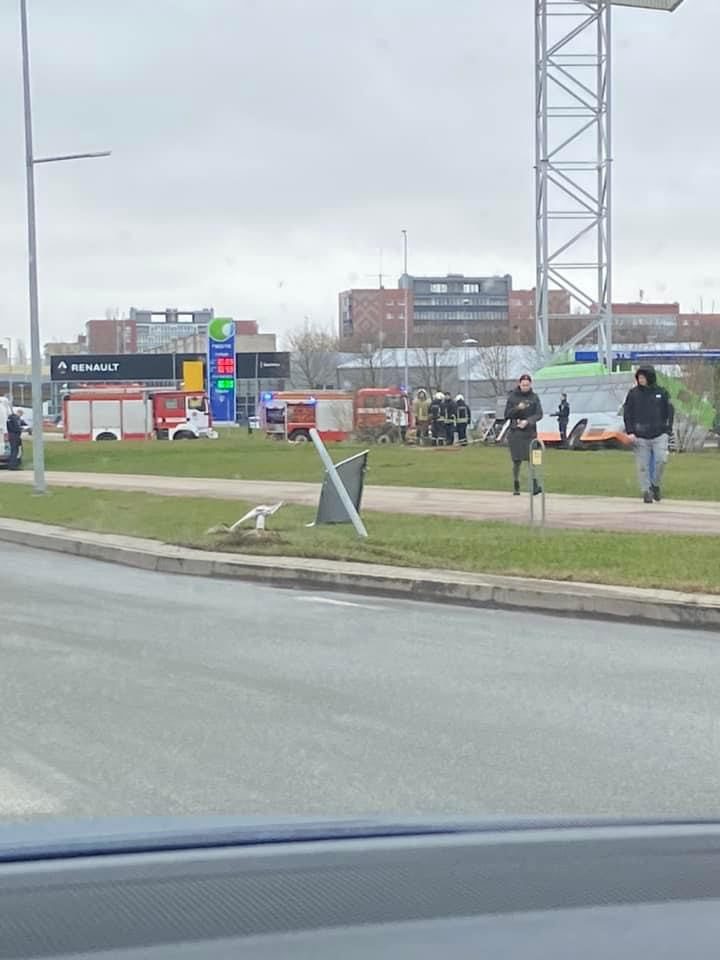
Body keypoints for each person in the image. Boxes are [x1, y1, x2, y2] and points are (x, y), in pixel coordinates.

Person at [623, 365, 674, 504]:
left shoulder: (662, 392)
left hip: (659, 434)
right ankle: (646, 491)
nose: (640, 380)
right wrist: (630, 432)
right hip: (640, 436)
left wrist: (668, 429)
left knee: (661, 460)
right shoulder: (633, 394)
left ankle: (655, 484)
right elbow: (627, 413)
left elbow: (669, 411)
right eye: (639, 377)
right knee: (643, 466)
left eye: (643, 377)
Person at [504, 373, 543, 495]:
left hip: (530, 433)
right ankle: (516, 484)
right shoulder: (512, 397)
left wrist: (529, 421)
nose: (525, 387)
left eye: (527, 385)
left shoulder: (534, 397)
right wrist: (517, 409)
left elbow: (539, 414)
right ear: (519, 384)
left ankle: (534, 485)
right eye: (523, 385)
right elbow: (507, 414)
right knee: (517, 461)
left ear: (530, 384)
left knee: (532, 460)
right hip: (516, 433)